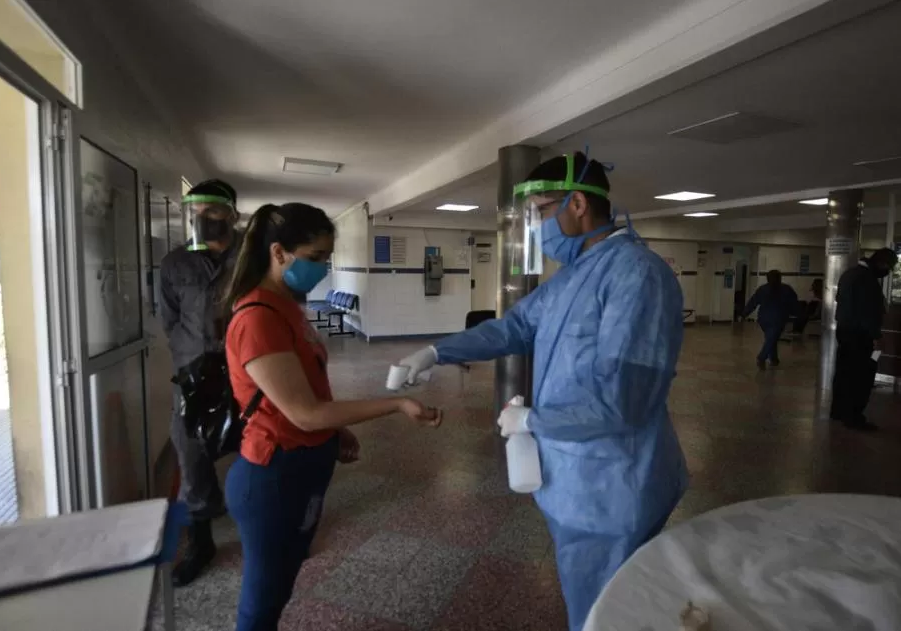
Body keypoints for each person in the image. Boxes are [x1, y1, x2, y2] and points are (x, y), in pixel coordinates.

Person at [394, 152, 688, 631]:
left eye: (540, 211)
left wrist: (532, 421)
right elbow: (512, 329)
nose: (535, 226)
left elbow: (625, 402)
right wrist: (434, 352)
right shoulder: (572, 277)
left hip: (615, 484)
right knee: (592, 599)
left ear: (576, 203)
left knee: (607, 613)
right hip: (575, 478)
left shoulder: (636, 274)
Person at [222, 203, 441, 631]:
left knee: (281, 584)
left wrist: (334, 427)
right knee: (261, 601)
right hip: (272, 475)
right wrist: (395, 404)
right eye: (315, 257)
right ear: (279, 252)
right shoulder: (258, 318)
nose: (322, 268)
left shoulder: (287, 306)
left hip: (303, 466)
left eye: (327, 258)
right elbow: (303, 413)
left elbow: (303, 393)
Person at [159, 179, 241, 586]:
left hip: (247, 367)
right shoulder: (175, 263)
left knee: (259, 446)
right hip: (193, 371)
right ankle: (202, 541)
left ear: (232, 213)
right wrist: (190, 352)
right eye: (195, 211)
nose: (202, 218)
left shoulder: (254, 256)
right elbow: (169, 319)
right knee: (191, 453)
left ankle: (266, 527)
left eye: (212, 211)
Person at [830, 248, 898, 431]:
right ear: (882, 262)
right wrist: (876, 337)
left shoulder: (849, 274)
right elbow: (867, 312)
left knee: (844, 373)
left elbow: (840, 300)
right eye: (889, 266)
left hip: (845, 331)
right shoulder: (867, 280)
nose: (888, 271)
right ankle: (853, 416)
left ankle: (838, 411)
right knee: (862, 375)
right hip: (863, 336)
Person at [742, 269, 800, 369]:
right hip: (779, 318)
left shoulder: (762, 289)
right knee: (772, 338)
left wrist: (744, 314)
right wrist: (797, 314)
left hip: (763, 319)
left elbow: (753, 302)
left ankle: (774, 359)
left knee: (771, 337)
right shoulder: (786, 289)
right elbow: (794, 304)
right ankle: (762, 357)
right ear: (780, 278)